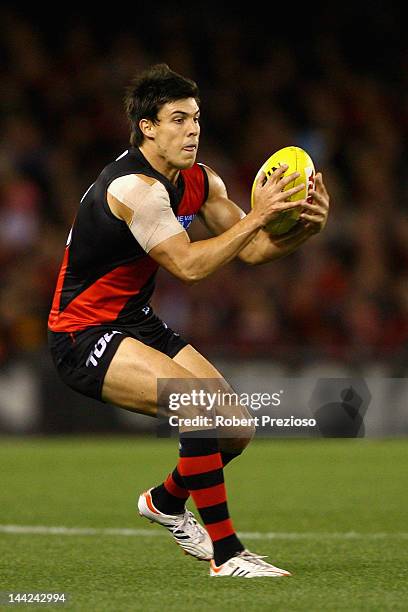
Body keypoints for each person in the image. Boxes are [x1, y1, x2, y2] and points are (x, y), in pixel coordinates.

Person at [48, 63, 329, 578]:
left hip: (133, 319)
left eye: (196, 118)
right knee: (196, 404)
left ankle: (166, 501)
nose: (192, 130)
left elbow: (253, 248)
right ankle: (228, 555)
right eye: (177, 119)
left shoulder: (201, 181)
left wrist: (303, 228)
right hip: (82, 332)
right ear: (147, 127)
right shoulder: (135, 189)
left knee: (236, 429)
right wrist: (260, 217)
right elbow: (189, 265)